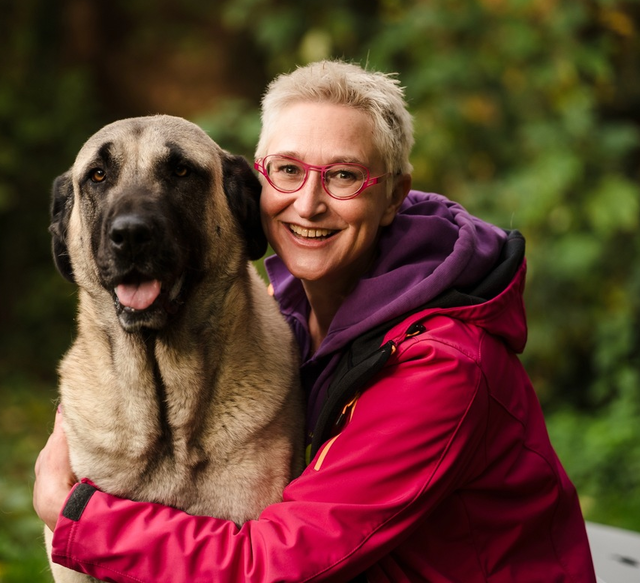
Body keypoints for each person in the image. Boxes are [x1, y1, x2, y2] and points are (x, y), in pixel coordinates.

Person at [34, 60, 597, 582]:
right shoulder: (292, 309)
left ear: (396, 195)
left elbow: (281, 564)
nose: (308, 204)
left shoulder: (442, 365)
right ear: (255, 191)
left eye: (344, 177)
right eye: (288, 170)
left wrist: (75, 515)